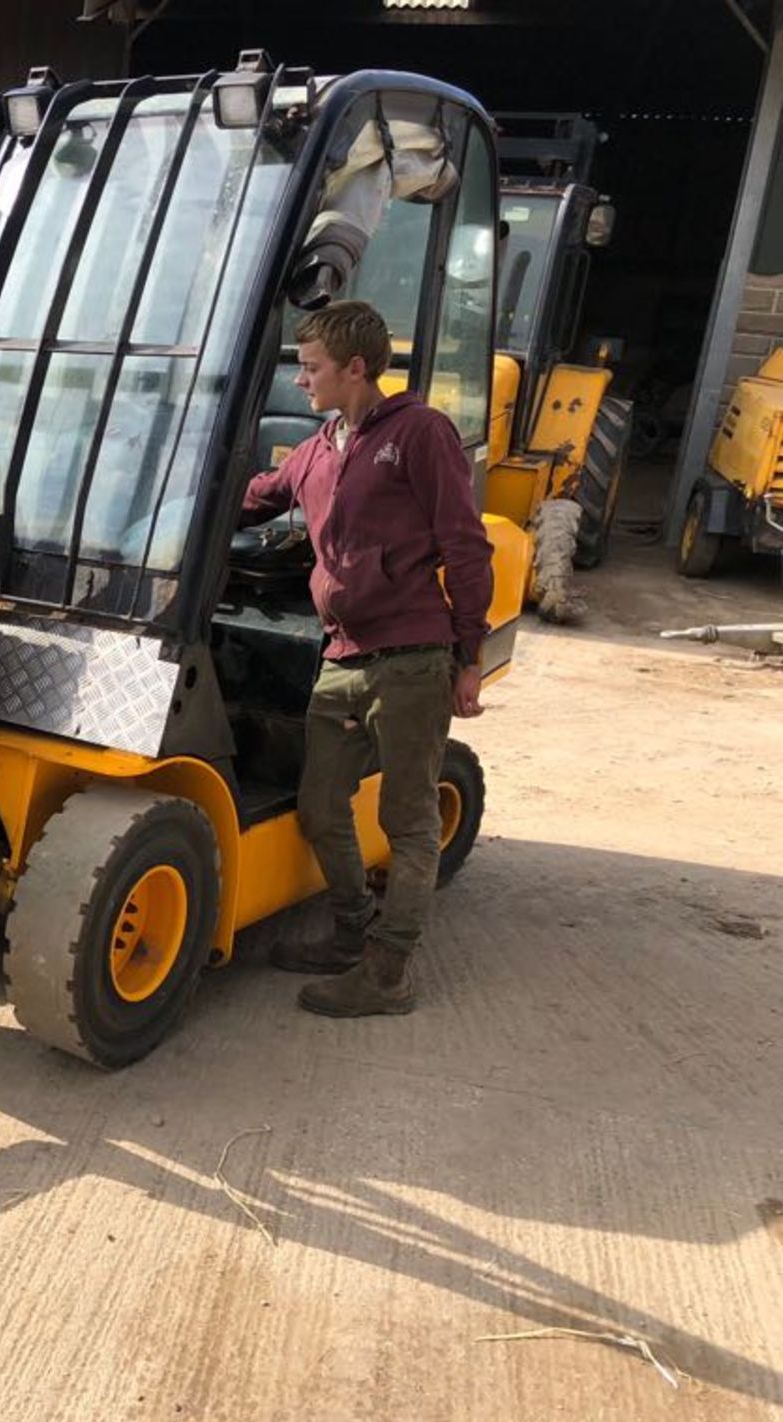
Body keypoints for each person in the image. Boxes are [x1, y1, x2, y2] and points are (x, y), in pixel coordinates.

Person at [240, 299, 494, 1018]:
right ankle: (351, 932)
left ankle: (388, 974)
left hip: (412, 656)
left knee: (408, 820)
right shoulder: (321, 446)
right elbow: (261, 498)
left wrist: (467, 656)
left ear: (356, 368)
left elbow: (467, 547)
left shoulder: (420, 434)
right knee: (322, 807)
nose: (301, 380)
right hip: (343, 657)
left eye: (312, 368)